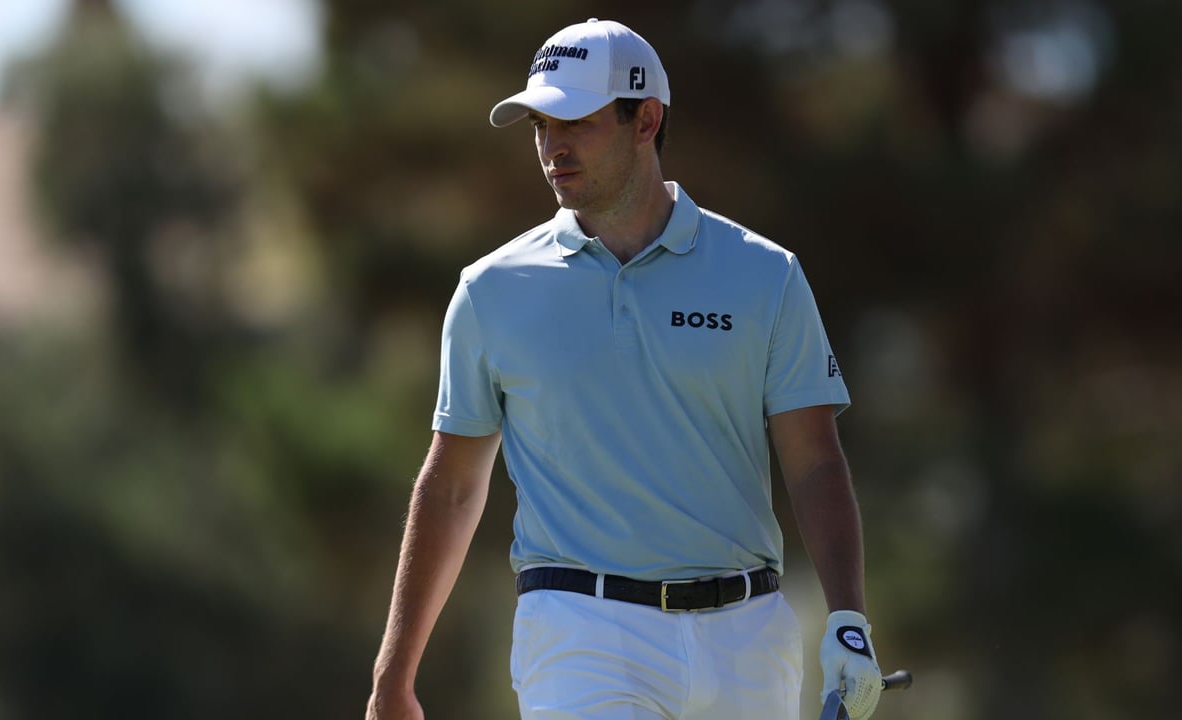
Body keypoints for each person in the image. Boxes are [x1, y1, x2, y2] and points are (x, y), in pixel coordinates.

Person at [366, 17, 885, 720]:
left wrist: (848, 618)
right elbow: (453, 487)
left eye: (574, 121)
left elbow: (814, 462)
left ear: (646, 119)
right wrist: (394, 676)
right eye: (540, 126)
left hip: (747, 635)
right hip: (583, 630)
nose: (552, 146)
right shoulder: (490, 291)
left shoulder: (765, 276)